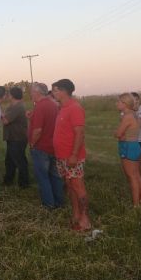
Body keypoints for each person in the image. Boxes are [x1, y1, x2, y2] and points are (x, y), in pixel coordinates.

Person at [52, 79, 91, 231]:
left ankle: (85, 219)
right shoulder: (62, 108)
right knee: (70, 185)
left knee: (77, 186)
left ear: (64, 91)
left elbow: (79, 133)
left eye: (55, 90)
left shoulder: (75, 108)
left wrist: (74, 155)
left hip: (72, 156)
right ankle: (76, 214)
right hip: (62, 156)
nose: (53, 93)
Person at [28, 82, 64, 209]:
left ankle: (49, 204)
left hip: (41, 147)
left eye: (31, 92)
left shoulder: (40, 106)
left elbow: (38, 130)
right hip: (53, 146)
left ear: (37, 93)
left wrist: (32, 143)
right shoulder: (53, 104)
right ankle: (59, 202)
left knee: (43, 177)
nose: (30, 94)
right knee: (55, 176)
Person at [115, 93, 141, 207]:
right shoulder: (135, 114)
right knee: (137, 175)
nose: (117, 104)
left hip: (128, 146)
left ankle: (136, 205)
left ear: (125, 103)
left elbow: (118, 133)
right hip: (135, 144)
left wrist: (119, 134)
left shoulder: (127, 116)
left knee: (131, 176)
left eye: (118, 102)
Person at [2, 86, 29, 188]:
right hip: (12, 138)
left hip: (17, 139)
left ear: (12, 95)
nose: (7, 95)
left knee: (19, 161)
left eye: (9, 94)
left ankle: (23, 184)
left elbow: (5, 121)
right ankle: (8, 181)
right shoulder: (12, 106)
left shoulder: (18, 107)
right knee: (9, 161)